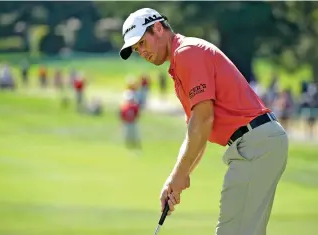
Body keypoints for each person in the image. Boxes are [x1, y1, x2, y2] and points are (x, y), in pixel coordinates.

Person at [119, 8, 288, 235]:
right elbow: (197, 131)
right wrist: (177, 177)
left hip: (254, 144)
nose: (141, 51)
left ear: (158, 28)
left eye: (141, 42)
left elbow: (203, 120)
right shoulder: (180, 62)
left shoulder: (188, 53)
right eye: (136, 48)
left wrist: (179, 176)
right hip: (257, 143)